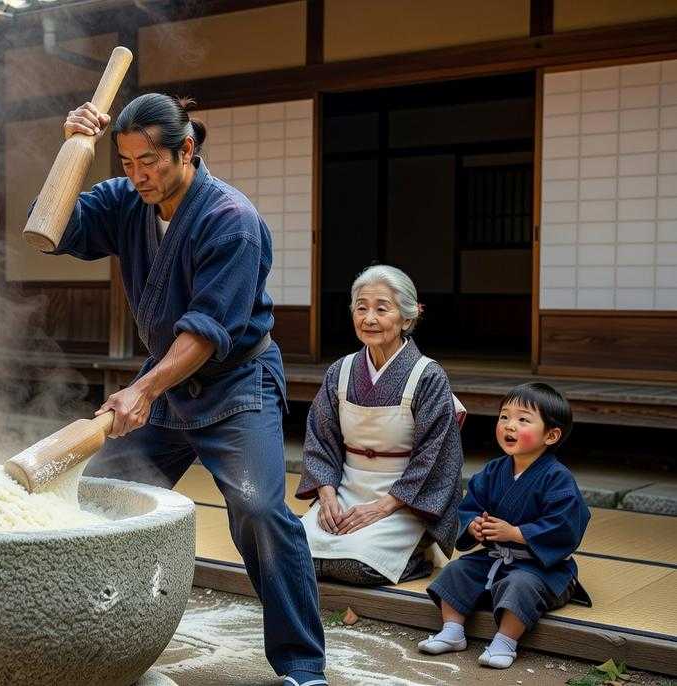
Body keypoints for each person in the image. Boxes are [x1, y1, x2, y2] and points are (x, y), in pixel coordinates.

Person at [49, 93, 327, 686]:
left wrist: (142, 390)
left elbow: (206, 331)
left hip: (235, 383)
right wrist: (75, 148)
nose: (137, 175)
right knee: (99, 493)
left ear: (186, 150)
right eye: (124, 163)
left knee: (257, 509)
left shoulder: (231, 219)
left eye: (148, 160)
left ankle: (303, 664)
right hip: (165, 383)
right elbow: (54, 228)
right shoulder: (127, 200)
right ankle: (100, 638)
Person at [296, 265, 465, 586]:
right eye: (361, 308)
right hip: (346, 490)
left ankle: (417, 552)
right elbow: (320, 440)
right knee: (293, 552)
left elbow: (436, 457)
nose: (369, 318)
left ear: (408, 316)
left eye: (381, 309)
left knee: (357, 565)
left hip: (402, 499)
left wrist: (383, 507)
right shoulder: (340, 371)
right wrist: (327, 495)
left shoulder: (427, 375)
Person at [419, 382, 591, 670]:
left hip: (540, 566)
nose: (510, 425)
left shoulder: (557, 478)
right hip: (496, 557)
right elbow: (469, 507)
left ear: (551, 435)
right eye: (504, 417)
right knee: (456, 571)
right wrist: (473, 525)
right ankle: (452, 631)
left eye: (523, 419)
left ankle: (505, 641)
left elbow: (565, 524)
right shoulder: (493, 471)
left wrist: (516, 533)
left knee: (520, 584)